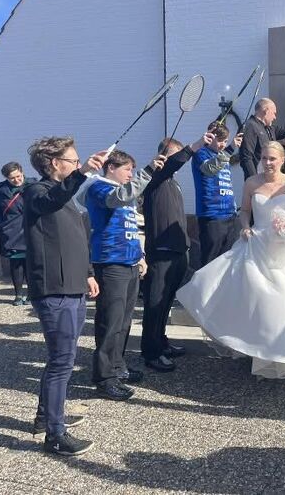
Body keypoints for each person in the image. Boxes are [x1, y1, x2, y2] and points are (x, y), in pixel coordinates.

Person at [177, 141, 285, 379]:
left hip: (284, 251)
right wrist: (245, 227)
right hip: (256, 244)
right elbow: (245, 211)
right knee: (256, 299)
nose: (268, 163)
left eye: (272, 159)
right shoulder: (251, 182)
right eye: (264, 158)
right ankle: (259, 350)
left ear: (282, 161)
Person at [24, 136, 106, 456]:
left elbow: (76, 239)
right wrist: (81, 174)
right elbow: (50, 201)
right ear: (55, 163)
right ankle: (55, 435)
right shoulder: (37, 191)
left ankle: (46, 417)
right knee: (62, 361)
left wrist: (88, 272)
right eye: (73, 160)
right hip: (54, 288)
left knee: (63, 357)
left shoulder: (66, 196)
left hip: (74, 285)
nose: (78, 164)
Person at [80, 150, 165, 401]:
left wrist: (140, 255)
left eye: (133, 170)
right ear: (111, 168)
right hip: (110, 263)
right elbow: (118, 198)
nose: (130, 174)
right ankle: (104, 377)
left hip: (129, 261)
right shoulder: (98, 187)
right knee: (110, 321)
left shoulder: (124, 192)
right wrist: (148, 171)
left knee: (124, 322)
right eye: (127, 169)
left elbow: (131, 226)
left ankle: (117, 366)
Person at [140, 133, 212, 372]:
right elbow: (173, 163)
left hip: (179, 250)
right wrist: (196, 145)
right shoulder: (155, 177)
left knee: (166, 301)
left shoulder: (172, 182)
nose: (179, 161)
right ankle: (151, 352)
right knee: (155, 302)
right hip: (161, 251)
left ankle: (162, 343)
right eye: (175, 155)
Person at [191, 122, 243, 266]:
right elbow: (209, 169)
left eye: (225, 141)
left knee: (228, 262)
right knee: (211, 263)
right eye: (220, 141)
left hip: (230, 215)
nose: (222, 145)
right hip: (212, 216)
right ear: (211, 137)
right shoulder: (201, 153)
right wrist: (230, 149)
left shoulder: (222, 156)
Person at [0, 162, 36, 305]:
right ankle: (18, 295)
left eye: (18, 176)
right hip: (12, 231)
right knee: (16, 264)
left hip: (31, 230)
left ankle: (31, 294)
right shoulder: (1, 191)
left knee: (31, 264)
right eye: (12, 178)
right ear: (6, 178)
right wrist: (0, 226)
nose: (16, 180)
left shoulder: (33, 185)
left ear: (22, 172)